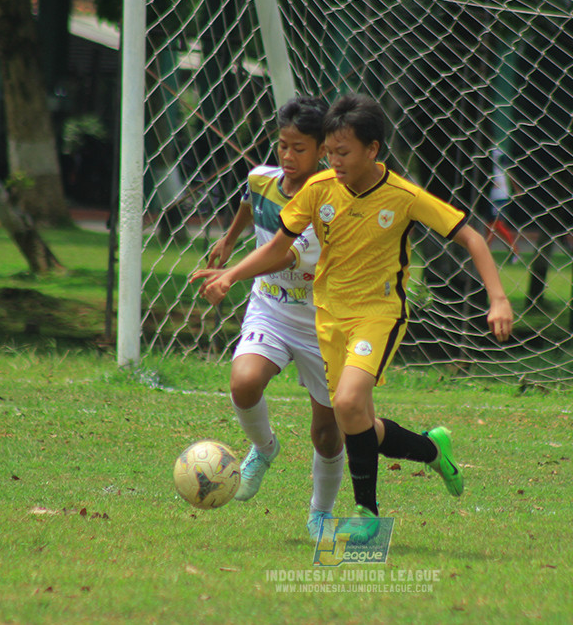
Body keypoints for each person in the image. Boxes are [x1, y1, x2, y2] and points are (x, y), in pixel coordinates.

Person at [195, 94, 513, 541]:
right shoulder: (318, 191)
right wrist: (230, 275)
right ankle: (431, 449)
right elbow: (277, 247)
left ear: (372, 149)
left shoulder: (403, 196)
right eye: (328, 152)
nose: (333, 161)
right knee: (356, 421)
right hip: (328, 319)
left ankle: (366, 515)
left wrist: (497, 298)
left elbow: (473, 238)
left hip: (378, 315)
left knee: (346, 407)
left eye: (342, 152)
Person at [200, 96, 344, 540]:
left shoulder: (330, 201)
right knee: (244, 382)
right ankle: (263, 449)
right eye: (282, 145)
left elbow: (282, 255)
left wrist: (230, 275)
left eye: (299, 148)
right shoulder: (262, 179)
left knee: (326, 433)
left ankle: (320, 513)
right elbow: (249, 202)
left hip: (321, 321)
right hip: (271, 307)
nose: (288, 155)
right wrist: (228, 239)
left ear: (321, 150)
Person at [484, 146, 521, 263]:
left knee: (497, 224)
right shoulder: (493, 153)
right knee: (490, 225)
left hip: (498, 195)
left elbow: (508, 171)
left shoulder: (496, 152)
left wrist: (516, 188)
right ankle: (485, 251)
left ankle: (514, 250)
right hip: (494, 195)